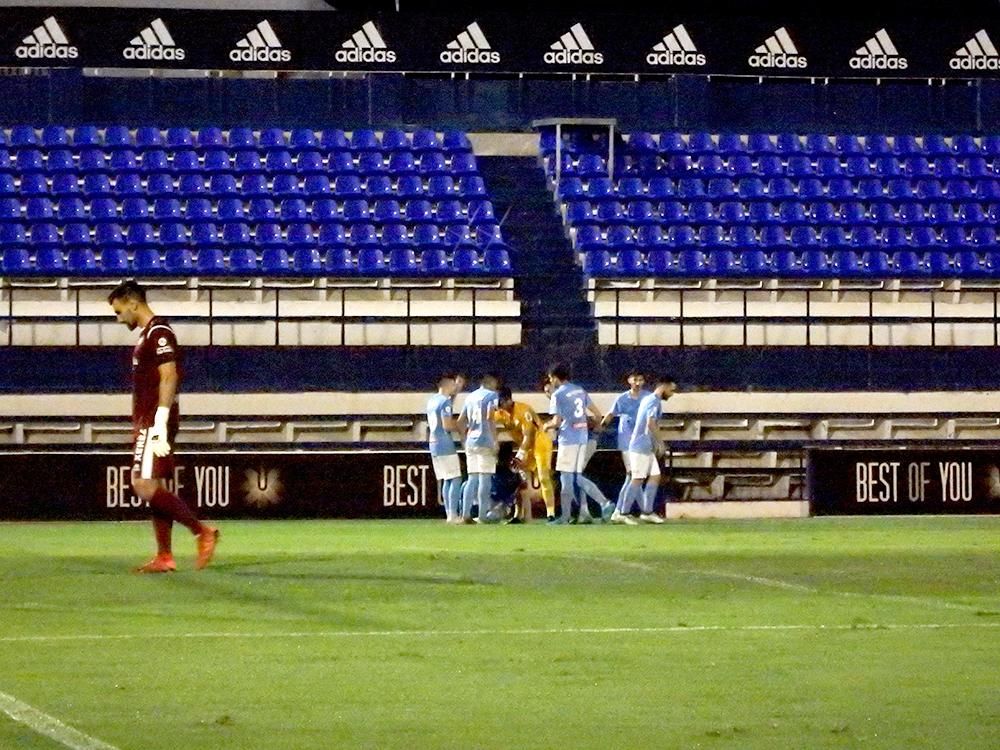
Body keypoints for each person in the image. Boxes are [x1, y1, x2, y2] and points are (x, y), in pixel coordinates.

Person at [107, 280, 218, 572]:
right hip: (149, 419)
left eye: (119, 312)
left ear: (133, 302)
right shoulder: (149, 335)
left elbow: (169, 376)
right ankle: (165, 555)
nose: (119, 319)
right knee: (153, 484)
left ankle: (201, 531)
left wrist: (159, 421)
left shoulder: (159, 333)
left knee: (141, 484)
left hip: (153, 420)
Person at [544, 364, 603, 524]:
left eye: (551, 378)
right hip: (583, 438)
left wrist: (546, 426)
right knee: (577, 476)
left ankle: (565, 516)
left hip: (568, 439)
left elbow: (556, 422)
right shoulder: (580, 390)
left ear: (555, 377)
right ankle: (600, 505)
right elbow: (597, 415)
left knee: (567, 478)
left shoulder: (558, 395)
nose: (551, 381)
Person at [495, 386, 554, 523]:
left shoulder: (523, 410)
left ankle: (551, 513)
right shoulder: (501, 412)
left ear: (508, 399)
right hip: (525, 447)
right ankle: (518, 515)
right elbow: (488, 419)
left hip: (539, 443)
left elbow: (529, 435)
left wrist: (520, 455)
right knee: (520, 480)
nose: (499, 406)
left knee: (543, 477)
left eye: (501, 402)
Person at [624, 375, 677, 524]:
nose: (672, 394)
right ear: (664, 386)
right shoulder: (653, 401)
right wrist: (660, 442)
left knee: (655, 476)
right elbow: (650, 423)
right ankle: (622, 512)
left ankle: (647, 511)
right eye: (671, 390)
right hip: (640, 445)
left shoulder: (650, 400)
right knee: (637, 479)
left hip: (645, 445)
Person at [601, 370, 650, 525]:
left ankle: (622, 511)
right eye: (635, 379)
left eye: (640, 379)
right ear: (629, 380)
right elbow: (610, 414)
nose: (637, 382)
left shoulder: (648, 398)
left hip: (642, 441)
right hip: (627, 442)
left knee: (634, 477)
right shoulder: (622, 399)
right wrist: (601, 426)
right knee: (633, 475)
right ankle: (624, 511)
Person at [456, 374, 500, 523]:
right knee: (485, 478)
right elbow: (490, 418)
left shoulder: (470, 397)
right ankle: (482, 515)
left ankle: (465, 514)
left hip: (471, 441)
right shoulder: (492, 395)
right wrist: (495, 440)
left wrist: (463, 439)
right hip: (485, 440)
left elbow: (461, 421)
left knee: (472, 478)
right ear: (491, 382)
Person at [427, 372, 462, 523]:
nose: (455, 386)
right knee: (455, 478)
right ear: (447, 383)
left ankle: (449, 513)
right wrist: (462, 426)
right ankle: (453, 515)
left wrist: (456, 394)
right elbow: (447, 425)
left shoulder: (432, 400)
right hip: (444, 444)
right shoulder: (444, 402)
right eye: (454, 383)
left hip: (433, 443)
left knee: (446, 479)